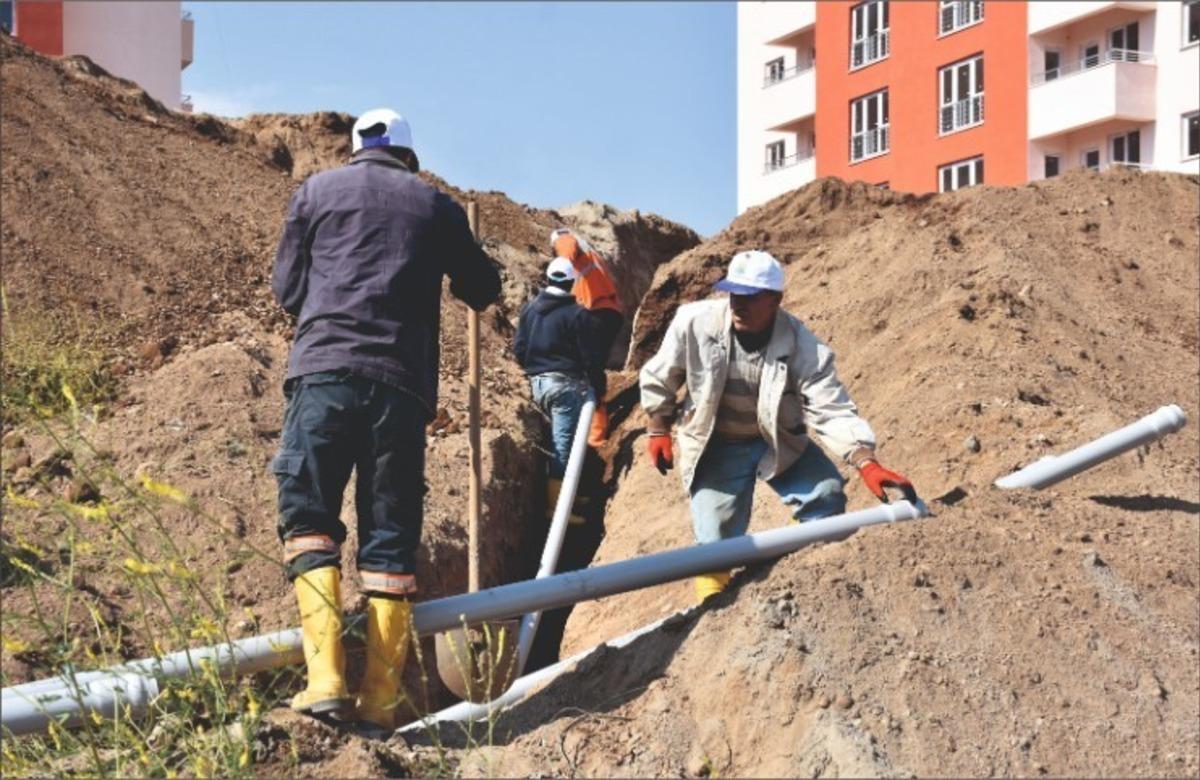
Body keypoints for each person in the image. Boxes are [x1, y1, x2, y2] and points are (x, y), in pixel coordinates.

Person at [270, 108, 501, 731]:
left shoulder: (315, 192)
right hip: (400, 388)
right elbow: (482, 290)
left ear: (355, 151)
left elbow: (287, 289)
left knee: (311, 519)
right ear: (407, 155)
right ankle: (377, 702)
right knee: (390, 536)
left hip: (322, 373)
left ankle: (323, 682)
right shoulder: (437, 207)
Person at [638, 250, 916, 604]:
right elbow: (660, 375)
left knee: (827, 497)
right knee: (713, 544)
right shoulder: (694, 323)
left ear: (776, 300)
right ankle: (711, 609)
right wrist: (658, 427)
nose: (739, 304)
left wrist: (866, 461)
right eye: (734, 294)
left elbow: (830, 406)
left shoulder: (804, 347)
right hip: (717, 442)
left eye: (751, 297)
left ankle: (782, 573)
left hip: (777, 440)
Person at [513, 257, 610, 523]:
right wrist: (598, 385)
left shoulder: (529, 310)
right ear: (571, 282)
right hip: (566, 387)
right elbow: (591, 356)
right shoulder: (578, 314)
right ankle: (557, 509)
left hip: (538, 384)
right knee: (564, 445)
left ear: (548, 278)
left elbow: (519, 349)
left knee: (561, 442)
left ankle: (567, 495)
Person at [549, 228, 624, 447]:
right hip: (607, 313)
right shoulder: (589, 260)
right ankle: (588, 419)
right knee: (587, 366)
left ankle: (596, 434)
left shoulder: (572, 249)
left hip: (598, 315)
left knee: (590, 369)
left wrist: (561, 257)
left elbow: (567, 245)